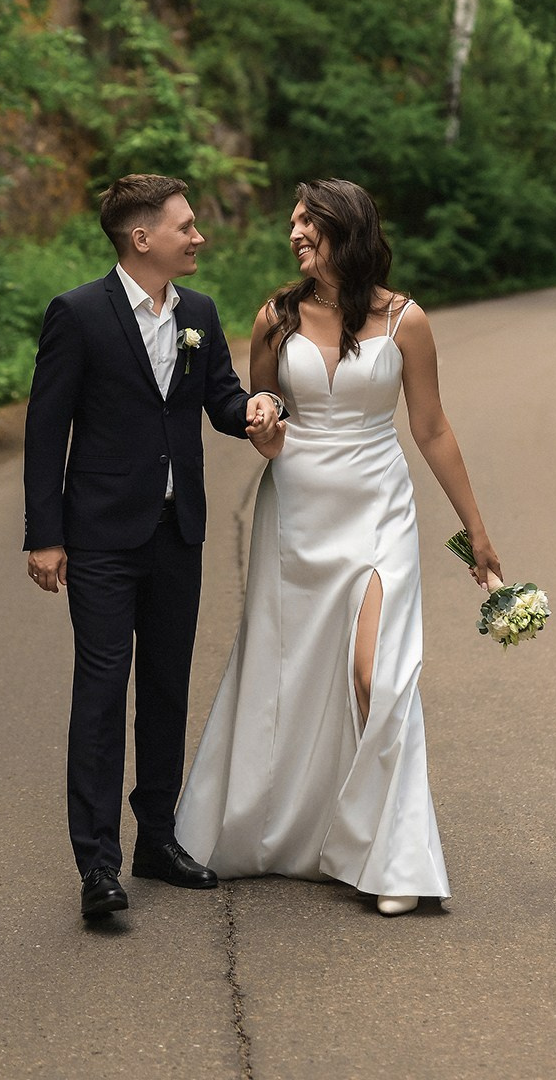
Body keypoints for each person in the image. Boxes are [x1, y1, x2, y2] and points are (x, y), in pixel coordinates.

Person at [175, 177, 502, 916]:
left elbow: (432, 429)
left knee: (376, 674)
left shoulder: (405, 321)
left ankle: (394, 859)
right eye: (292, 222)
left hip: (378, 507)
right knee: (289, 671)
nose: (294, 233)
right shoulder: (274, 317)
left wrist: (476, 530)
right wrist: (264, 428)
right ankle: (288, 829)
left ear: (344, 231)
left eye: (307, 222)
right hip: (295, 510)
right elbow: (263, 417)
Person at [24, 173, 286, 922]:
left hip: (178, 532)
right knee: (102, 693)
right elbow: (47, 432)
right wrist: (45, 536)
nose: (198, 237)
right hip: (101, 537)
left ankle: (157, 840)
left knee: (167, 689)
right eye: (186, 226)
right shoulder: (78, 315)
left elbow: (223, 401)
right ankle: (98, 866)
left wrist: (259, 412)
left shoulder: (198, 313)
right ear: (143, 239)